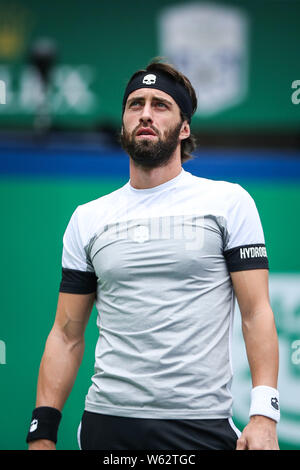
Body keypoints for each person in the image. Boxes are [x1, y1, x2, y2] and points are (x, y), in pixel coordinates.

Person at [26, 58, 280, 451]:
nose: (145, 113)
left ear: (184, 127)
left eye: (160, 104)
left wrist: (264, 414)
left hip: (199, 427)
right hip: (106, 427)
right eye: (135, 104)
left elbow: (256, 312)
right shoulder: (87, 218)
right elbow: (65, 335)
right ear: (124, 121)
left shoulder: (229, 202)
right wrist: (42, 432)